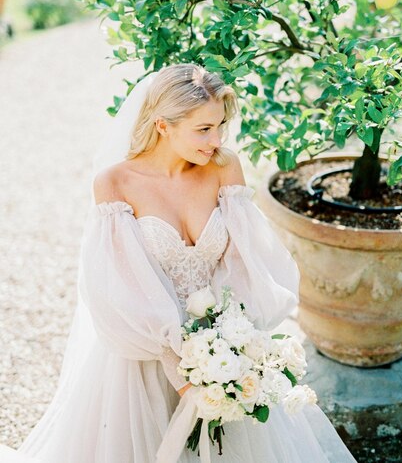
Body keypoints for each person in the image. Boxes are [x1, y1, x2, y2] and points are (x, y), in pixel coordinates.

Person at [0, 64, 357, 462]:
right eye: (203, 129)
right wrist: (186, 377)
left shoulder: (223, 166)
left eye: (220, 125)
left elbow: (247, 262)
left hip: (223, 348)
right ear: (163, 126)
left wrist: (236, 352)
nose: (216, 140)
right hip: (147, 356)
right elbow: (119, 287)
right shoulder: (115, 183)